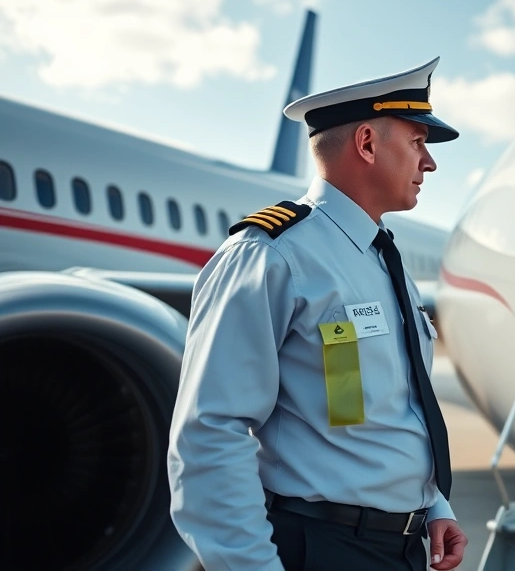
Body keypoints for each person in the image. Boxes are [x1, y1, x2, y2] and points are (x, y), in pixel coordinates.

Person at [167, 57, 466, 571]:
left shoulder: (381, 258)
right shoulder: (272, 254)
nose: (430, 163)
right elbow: (211, 431)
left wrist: (430, 505)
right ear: (368, 143)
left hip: (401, 547)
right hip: (320, 548)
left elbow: (378, 410)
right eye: (418, 143)